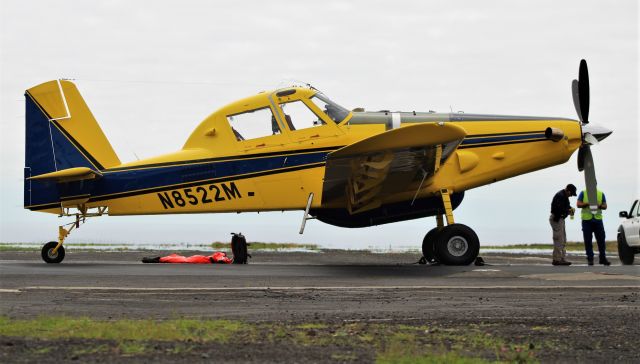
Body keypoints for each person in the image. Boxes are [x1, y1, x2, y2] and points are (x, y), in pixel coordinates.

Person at [577, 188, 610, 266]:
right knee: (588, 240)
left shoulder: (601, 193)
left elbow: (605, 206)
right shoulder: (583, 193)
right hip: (586, 220)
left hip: (598, 219)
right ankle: (590, 259)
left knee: (601, 240)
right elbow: (578, 204)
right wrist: (587, 203)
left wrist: (600, 205)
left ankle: (602, 258)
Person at [549, 184, 577, 266]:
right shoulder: (560, 196)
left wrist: (570, 208)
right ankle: (557, 260)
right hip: (556, 219)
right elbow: (558, 209)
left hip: (560, 220)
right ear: (568, 190)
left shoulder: (564, 196)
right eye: (571, 194)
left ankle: (562, 259)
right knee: (559, 240)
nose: (571, 195)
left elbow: (566, 206)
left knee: (563, 240)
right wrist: (568, 211)